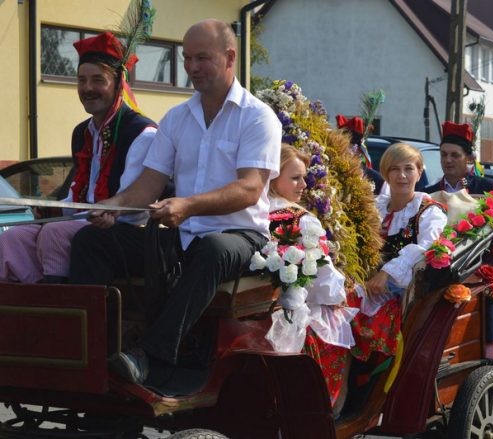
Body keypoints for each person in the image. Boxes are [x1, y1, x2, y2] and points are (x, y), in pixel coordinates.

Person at [68, 19, 282, 385]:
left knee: (213, 249)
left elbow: (249, 188)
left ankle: (150, 354)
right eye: (186, 58)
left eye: (202, 58)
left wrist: (187, 206)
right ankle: (93, 353)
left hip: (240, 237)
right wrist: (113, 206)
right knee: (91, 241)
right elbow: (148, 184)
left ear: (230, 57)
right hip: (182, 236)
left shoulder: (258, 117)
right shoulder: (177, 118)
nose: (192, 67)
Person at [0, 31, 156, 284]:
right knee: (12, 238)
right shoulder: (82, 132)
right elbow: (79, 196)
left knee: (54, 233)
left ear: (119, 83)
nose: (87, 88)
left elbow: (136, 207)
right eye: (81, 80)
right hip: (83, 222)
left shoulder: (142, 133)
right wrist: (50, 208)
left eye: (98, 80)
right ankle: (34, 299)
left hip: (125, 231)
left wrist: (110, 211)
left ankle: (61, 300)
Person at [265, 144, 358, 411]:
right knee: (346, 316)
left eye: (304, 177)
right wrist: (340, 294)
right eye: (295, 178)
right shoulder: (301, 220)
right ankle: (333, 408)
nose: (304, 185)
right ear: (273, 177)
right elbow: (324, 283)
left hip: (256, 306)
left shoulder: (250, 210)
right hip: (292, 309)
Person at [348, 142, 447, 363]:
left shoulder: (428, 211)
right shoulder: (374, 207)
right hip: (365, 284)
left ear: (419, 172)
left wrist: (386, 273)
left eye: (408, 168)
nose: (402, 175)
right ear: (385, 173)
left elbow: (425, 248)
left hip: (403, 294)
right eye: (394, 169)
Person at [424, 121, 493, 359]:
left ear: (469, 158)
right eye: (443, 154)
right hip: (440, 279)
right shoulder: (428, 192)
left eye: (455, 155)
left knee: (484, 345)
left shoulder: (489, 188)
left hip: (479, 278)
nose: (448, 160)